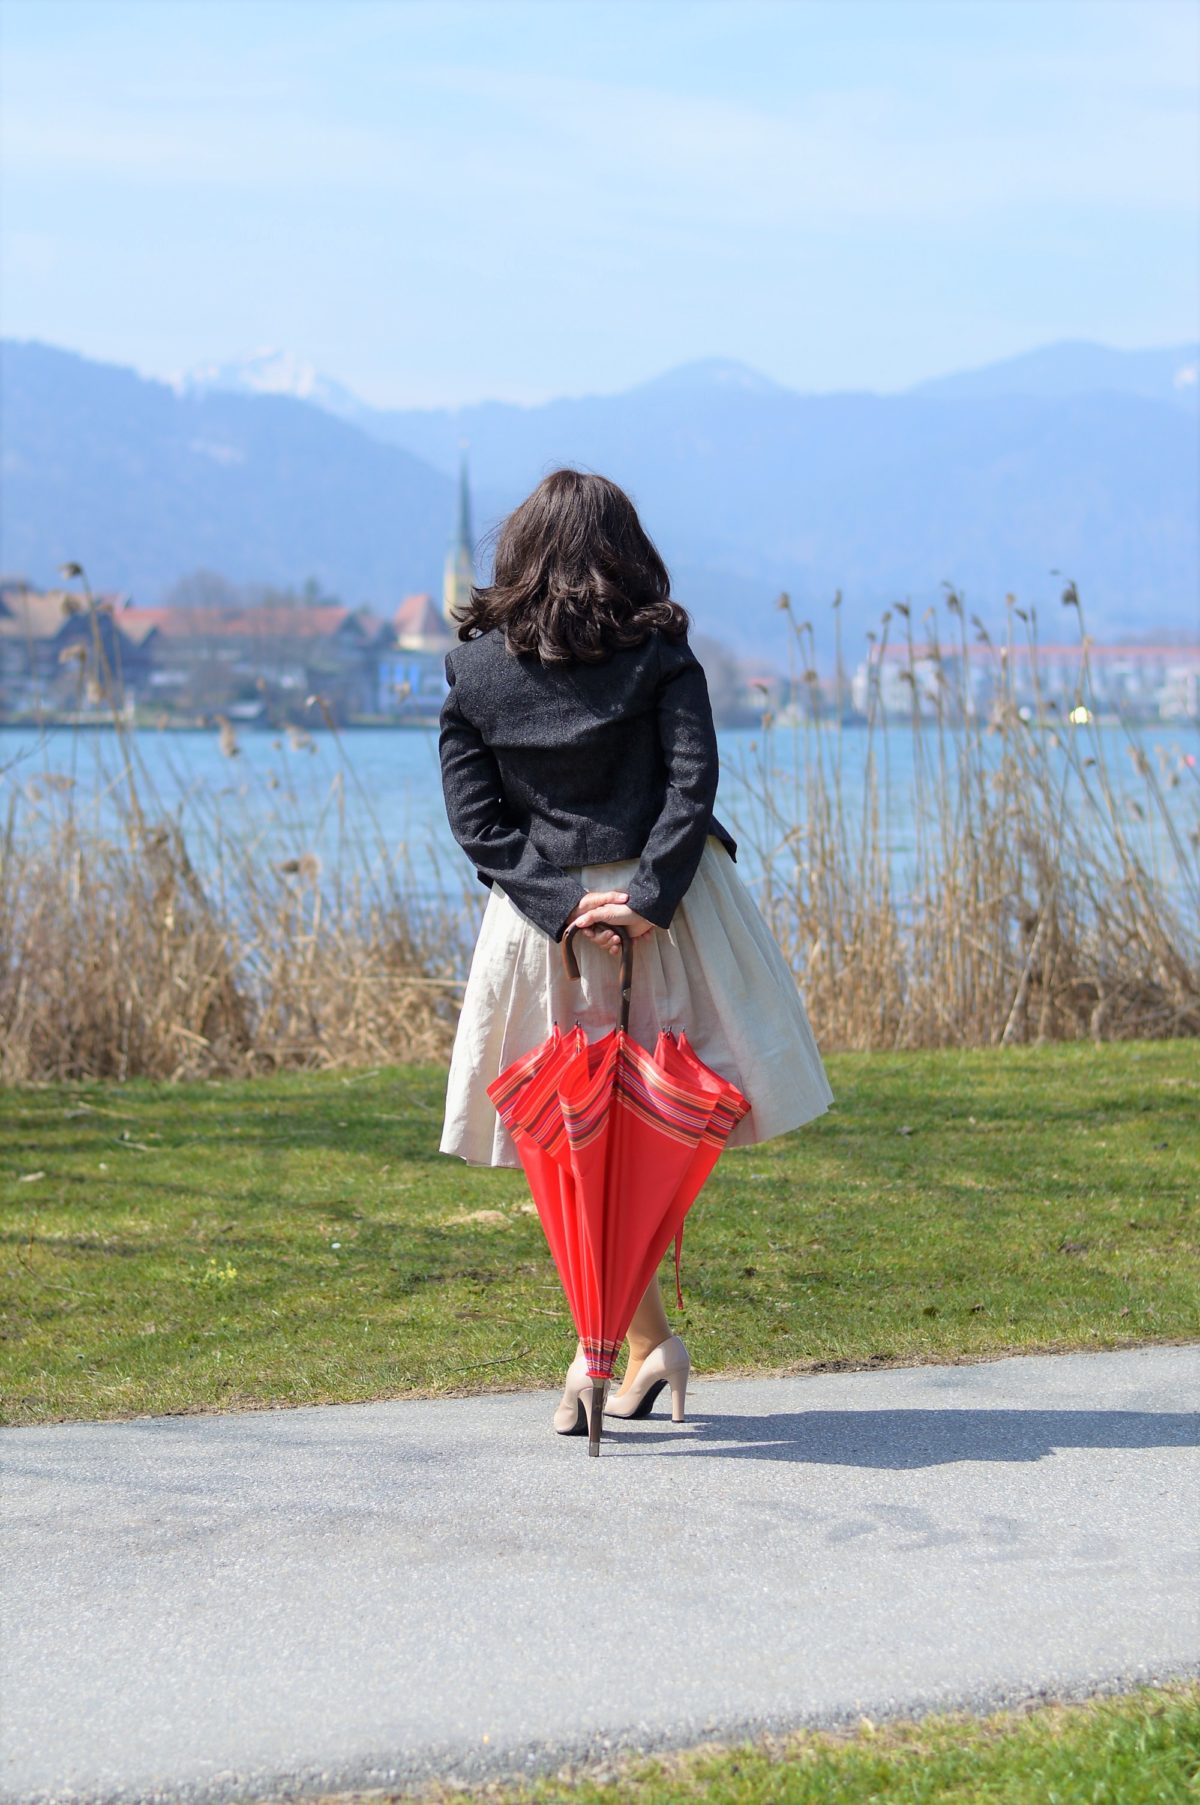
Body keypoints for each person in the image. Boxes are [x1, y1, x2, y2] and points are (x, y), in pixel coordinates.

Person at [438, 469, 833, 1435]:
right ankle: (631, 1346)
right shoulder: (660, 652)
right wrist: (648, 897)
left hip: (548, 933)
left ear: (519, 554)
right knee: (642, 1132)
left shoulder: (475, 670)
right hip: (674, 914)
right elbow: (693, 787)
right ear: (623, 551)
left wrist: (561, 903)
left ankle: (608, 1348)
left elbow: (478, 822)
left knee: (576, 1141)